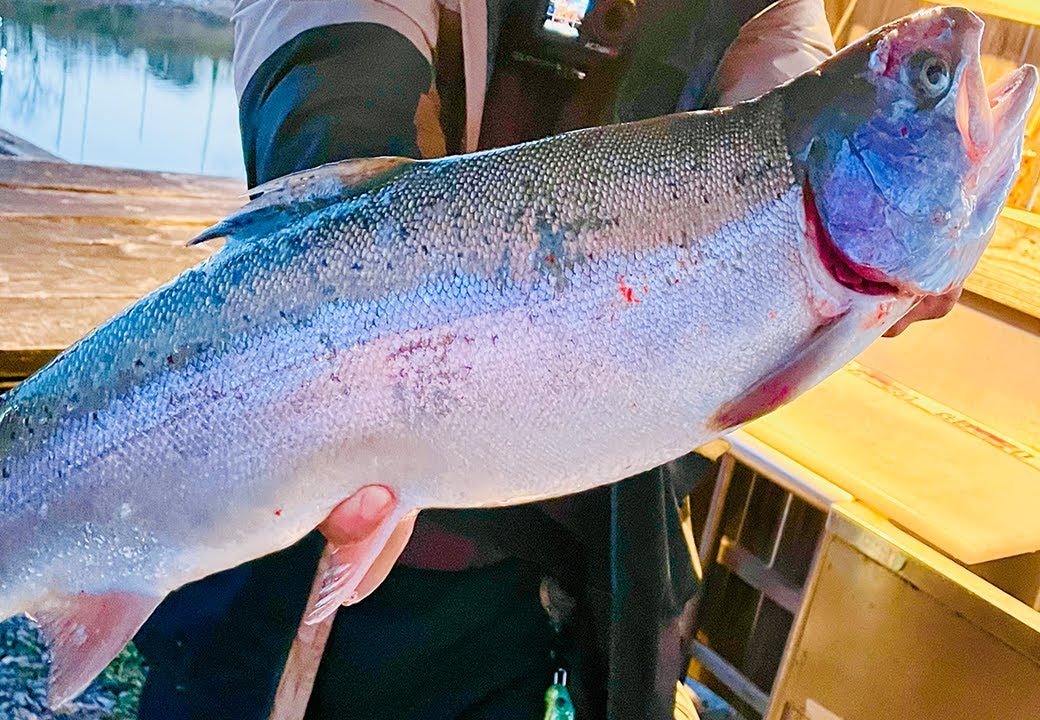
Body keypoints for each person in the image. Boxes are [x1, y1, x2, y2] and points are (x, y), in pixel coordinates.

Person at [133, 2, 959, 718]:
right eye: (929, 80)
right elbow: (331, 76)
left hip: (553, 564)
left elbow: (788, 128)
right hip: (285, 521)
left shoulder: (771, 12)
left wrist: (884, 231)